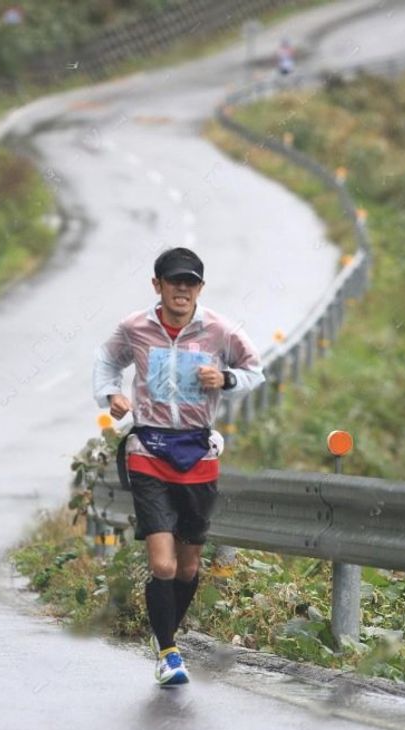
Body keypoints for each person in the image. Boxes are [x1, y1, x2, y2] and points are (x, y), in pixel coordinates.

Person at [93, 247, 264, 686]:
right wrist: (111, 395)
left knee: (188, 568)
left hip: (198, 454)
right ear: (158, 286)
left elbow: (254, 371)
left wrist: (226, 379)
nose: (182, 290)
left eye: (190, 283)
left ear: (200, 289)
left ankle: (165, 636)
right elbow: (107, 361)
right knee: (164, 565)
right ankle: (168, 652)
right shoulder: (135, 328)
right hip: (148, 450)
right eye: (174, 282)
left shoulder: (220, 331)